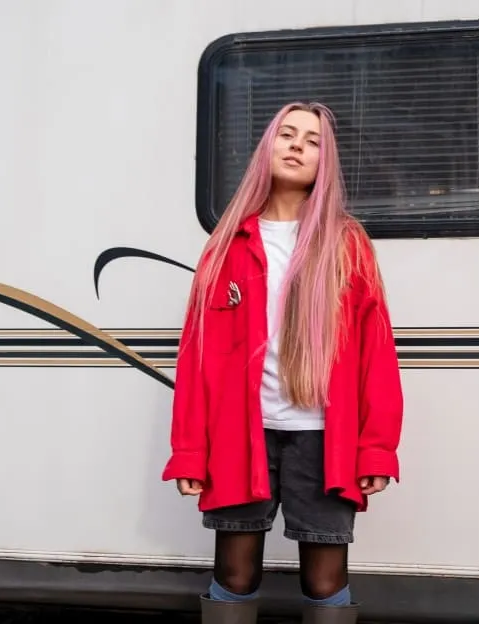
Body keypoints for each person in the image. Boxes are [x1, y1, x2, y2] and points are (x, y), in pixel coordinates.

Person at [161, 101, 404, 624]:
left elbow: (376, 354)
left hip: (322, 438)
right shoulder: (227, 244)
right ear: (266, 148)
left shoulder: (347, 243)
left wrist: (377, 450)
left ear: (325, 162)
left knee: (325, 581)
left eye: (313, 141)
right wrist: (189, 452)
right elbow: (196, 357)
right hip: (240, 435)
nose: (297, 146)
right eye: (287, 134)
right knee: (235, 575)